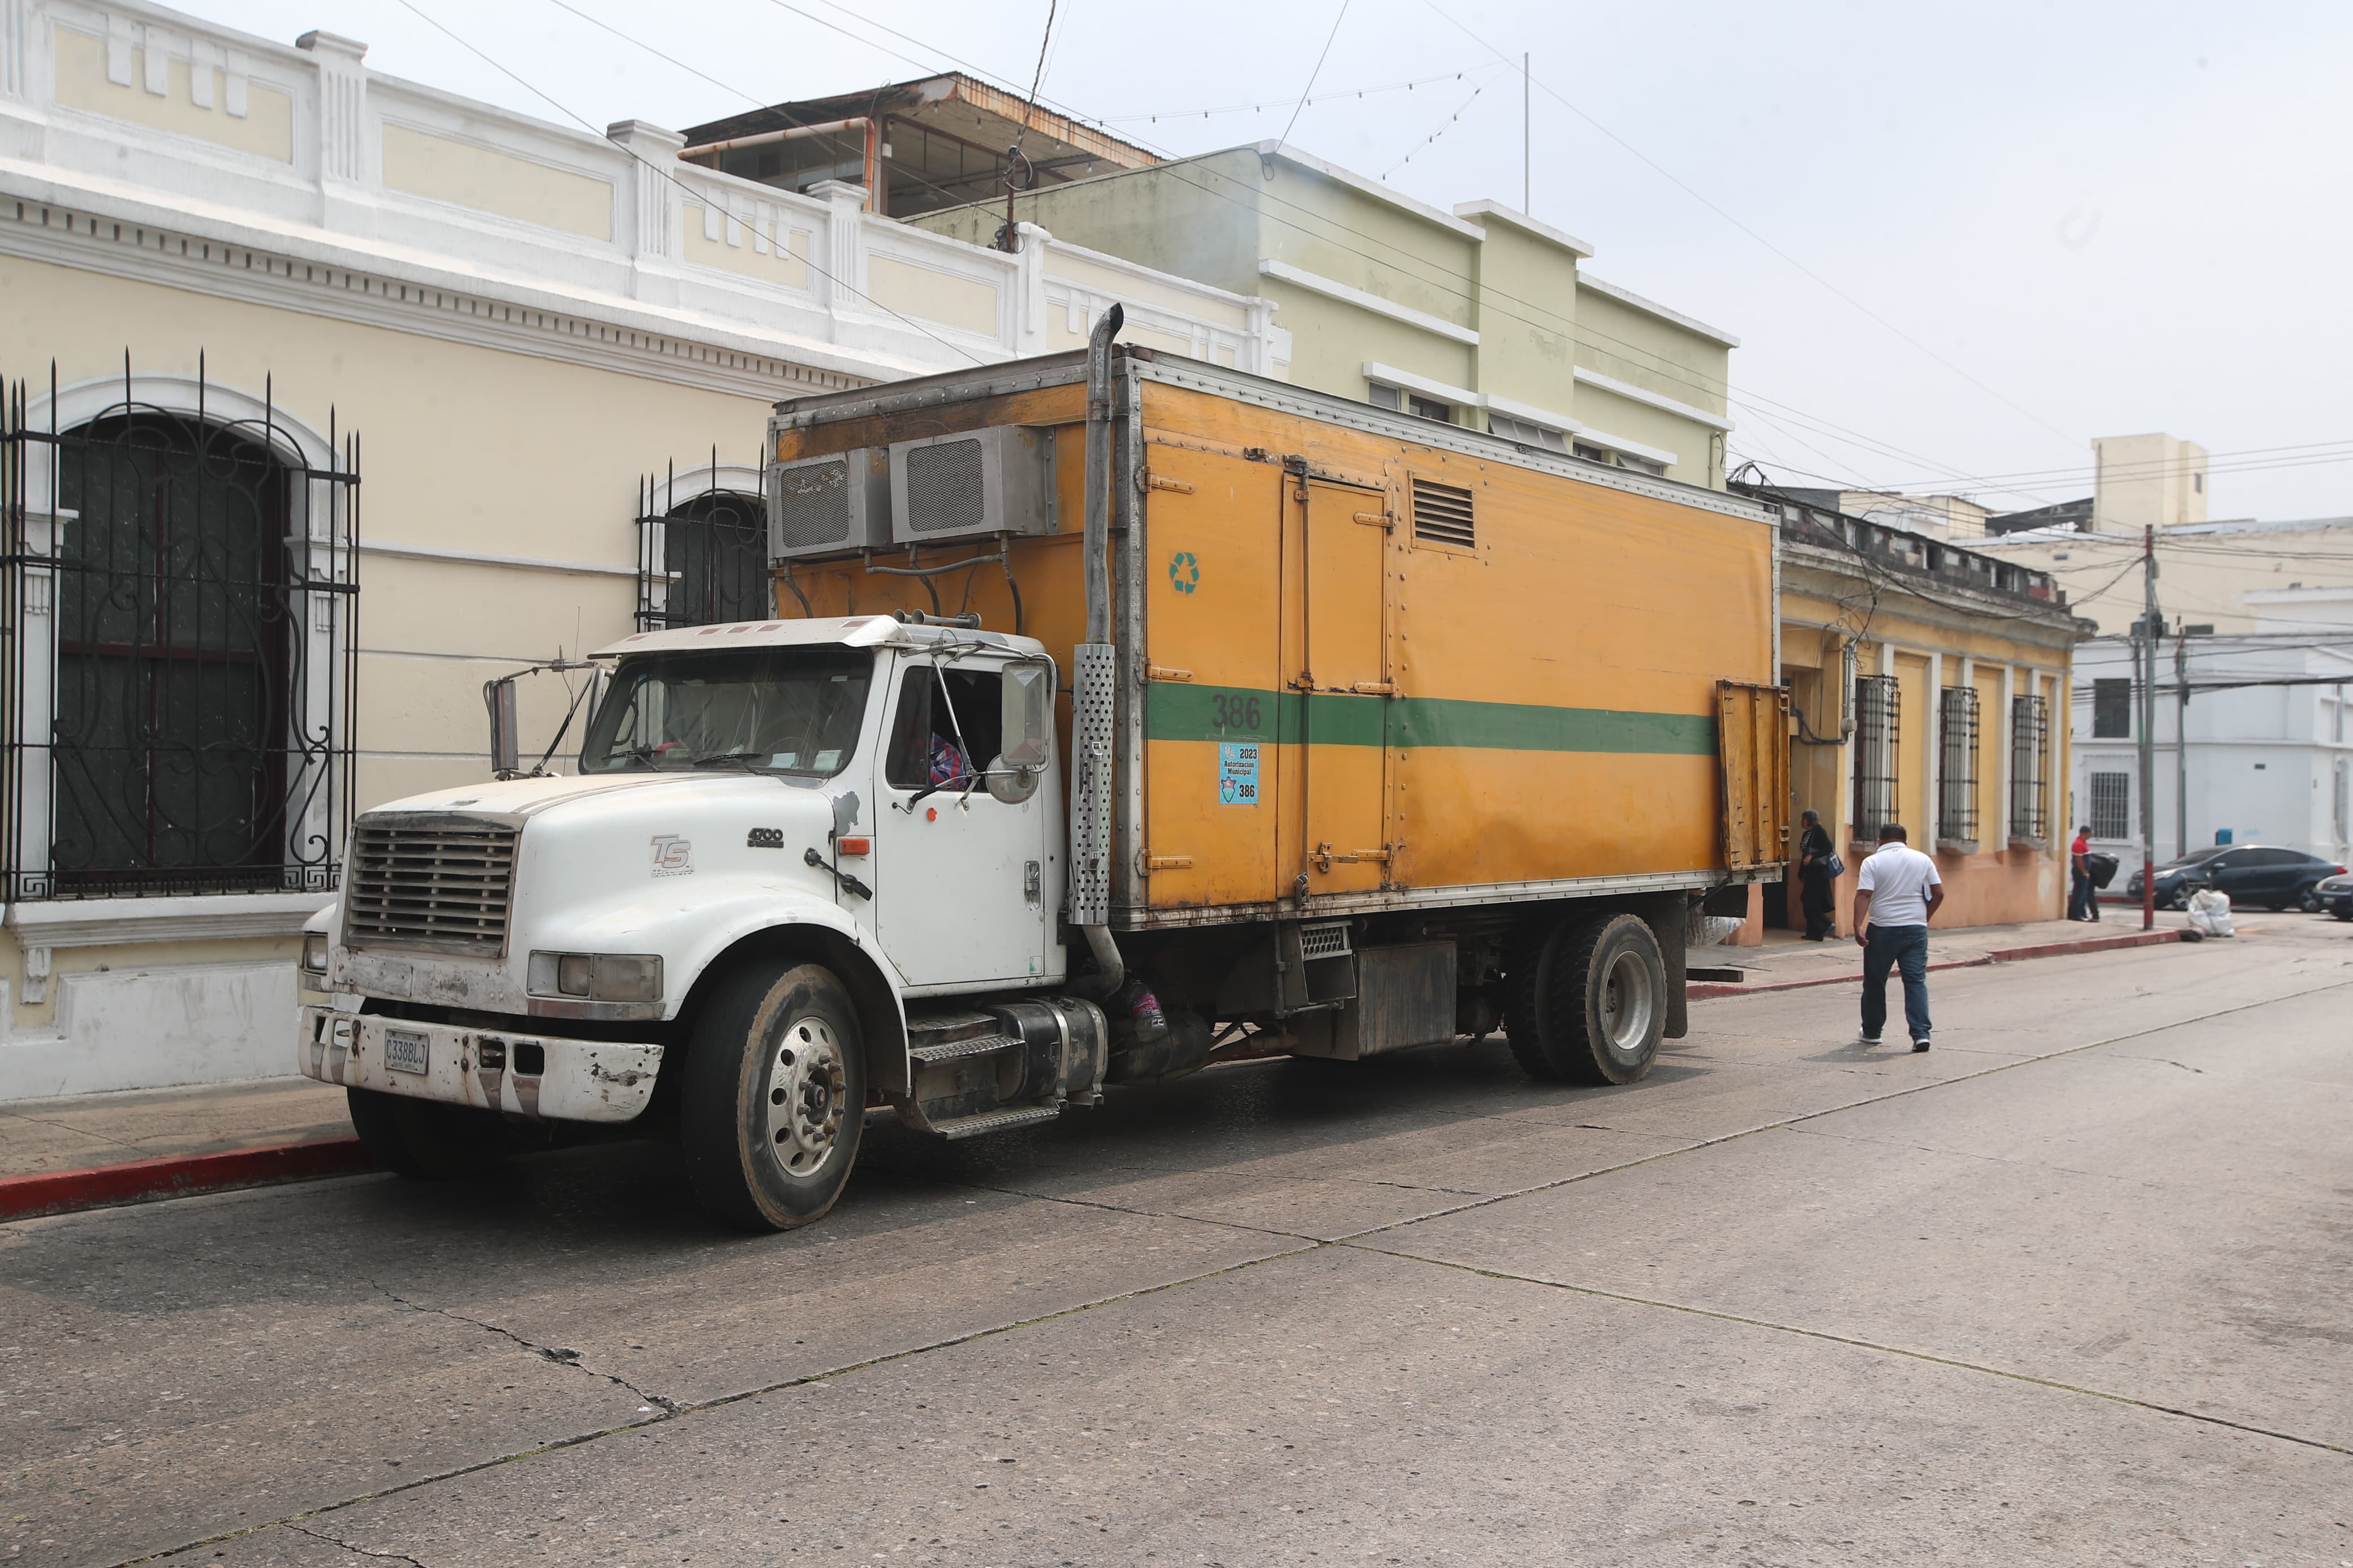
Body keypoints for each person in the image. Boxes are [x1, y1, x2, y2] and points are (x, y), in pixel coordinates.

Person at [1853, 823, 1943, 1052]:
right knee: (1915, 981)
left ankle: (1873, 1033)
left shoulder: (1872, 862)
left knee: (1875, 982)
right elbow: (1939, 893)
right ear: (1905, 841)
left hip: (1882, 929)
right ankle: (1921, 1035)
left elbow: (1864, 894)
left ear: (1880, 841)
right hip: (1915, 930)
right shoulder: (1923, 860)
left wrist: (1857, 925)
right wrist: (1925, 917)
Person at [1796, 809, 1836, 940]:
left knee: (1810, 901)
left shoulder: (1819, 831)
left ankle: (1825, 925)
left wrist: (1812, 856)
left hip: (1818, 873)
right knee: (1809, 901)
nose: (1802, 822)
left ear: (1810, 820)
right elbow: (1804, 856)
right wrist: (1801, 873)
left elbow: (1828, 848)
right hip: (1810, 873)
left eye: (1804, 819)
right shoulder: (1807, 834)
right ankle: (1815, 933)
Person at [2068, 824, 2097, 921]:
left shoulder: (2083, 843)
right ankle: (2077, 914)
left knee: (2083, 893)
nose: (2090, 835)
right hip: (2079, 872)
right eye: (2089, 833)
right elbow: (2079, 860)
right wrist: (2084, 872)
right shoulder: (2078, 844)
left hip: (2083, 872)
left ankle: (2081, 913)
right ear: (2084, 833)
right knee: (2079, 894)